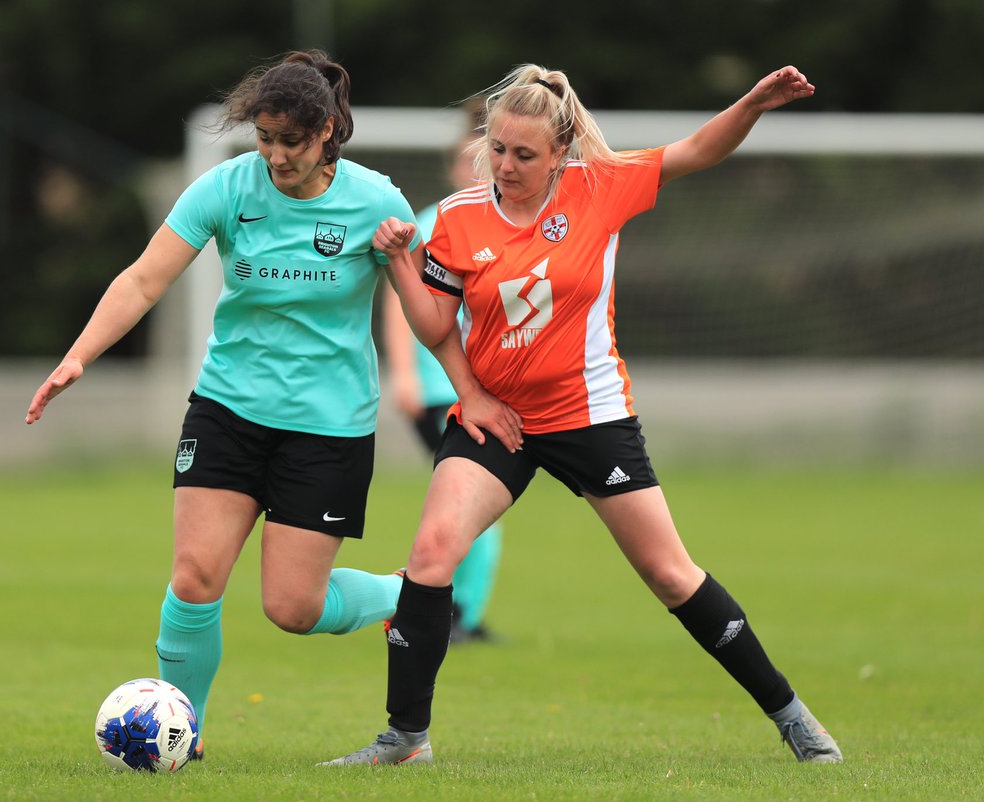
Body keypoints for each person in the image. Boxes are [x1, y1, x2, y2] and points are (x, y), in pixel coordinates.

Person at [321, 64, 844, 766]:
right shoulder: (457, 217)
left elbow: (700, 150)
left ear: (560, 153)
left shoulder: (600, 187)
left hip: (590, 417)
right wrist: (398, 265)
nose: (505, 165)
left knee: (668, 573)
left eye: (524, 154)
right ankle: (404, 739)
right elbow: (436, 325)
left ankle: (791, 715)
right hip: (498, 420)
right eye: (497, 149)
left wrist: (751, 103)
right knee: (431, 553)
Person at [25, 50, 421, 758]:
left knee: (293, 609)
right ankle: (188, 732)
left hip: (328, 428)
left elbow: (424, 311)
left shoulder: (377, 202)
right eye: (264, 139)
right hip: (228, 409)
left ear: (327, 130)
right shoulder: (228, 188)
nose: (274, 156)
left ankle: (407, 594)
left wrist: (473, 388)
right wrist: (78, 354)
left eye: (289, 141)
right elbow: (145, 279)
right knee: (195, 576)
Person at [381, 101, 503, 644]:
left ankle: (459, 615)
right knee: (468, 508)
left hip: (479, 388)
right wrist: (403, 373)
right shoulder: (434, 220)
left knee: (473, 508)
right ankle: (450, 615)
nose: (470, 170)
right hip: (440, 390)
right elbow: (400, 302)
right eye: (462, 161)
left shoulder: (505, 222)